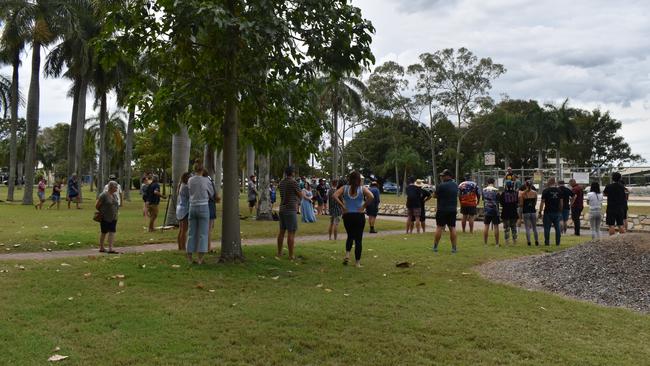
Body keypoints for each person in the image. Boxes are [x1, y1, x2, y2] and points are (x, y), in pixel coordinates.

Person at [333, 171, 374, 267]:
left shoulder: (344, 188)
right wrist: (363, 206)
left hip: (347, 215)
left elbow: (334, 195)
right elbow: (371, 196)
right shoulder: (362, 189)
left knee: (350, 236)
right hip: (359, 216)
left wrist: (342, 206)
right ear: (359, 179)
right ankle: (357, 263)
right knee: (358, 239)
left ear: (349, 179)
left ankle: (347, 255)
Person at [186, 168, 214, 264]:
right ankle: (200, 259)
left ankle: (189, 257)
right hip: (203, 206)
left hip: (192, 206)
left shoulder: (190, 180)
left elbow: (188, 192)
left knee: (191, 232)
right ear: (202, 170)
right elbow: (212, 193)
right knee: (203, 233)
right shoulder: (206, 180)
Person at [277, 166, 304, 259]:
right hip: (291, 209)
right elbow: (300, 195)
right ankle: (291, 255)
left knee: (281, 232)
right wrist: (297, 199)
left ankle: (279, 253)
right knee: (291, 232)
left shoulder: (281, 183)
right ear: (292, 173)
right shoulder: (293, 182)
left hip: (282, 208)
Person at [433, 169, 459, 253]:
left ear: (448, 176)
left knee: (439, 227)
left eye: (443, 176)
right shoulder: (455, 185)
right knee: (452, 228)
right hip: (452, 209)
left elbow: (435, 195)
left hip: (442, 209)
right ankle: (454, 248)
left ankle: (435, 247)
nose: (442, 177)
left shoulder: (441, 185)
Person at [96, 181, 120, 254]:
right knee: (104, 232)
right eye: (115, 187)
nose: (116, 188)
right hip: (105, 217)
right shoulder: (103, 195)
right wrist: (103, 212)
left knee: (112, 232)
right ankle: (101, 247)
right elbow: (97, 205)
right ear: (111, 187)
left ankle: (110, 248)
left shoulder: (115, 195)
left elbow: (116, 204)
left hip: (114, 217)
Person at [539, 177, 563, 246]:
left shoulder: (545, 191)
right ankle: (557, 243)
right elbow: (561, 203)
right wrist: (560, 211)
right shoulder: (559, 191)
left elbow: (542, 202)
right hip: (556, 212)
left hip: (548, 212)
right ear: (554, 182)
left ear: (549, 182)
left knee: (547, 228)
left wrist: (540, 212)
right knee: (557, 228)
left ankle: (547, 242)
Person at [519, 179, 539, 246]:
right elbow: (535, 203)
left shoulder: (522, 194)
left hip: (526, 211)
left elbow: (521, 204)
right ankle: (536, 241)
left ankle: (529, 242)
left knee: (527, 228)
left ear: (525, 185)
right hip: (533, 211)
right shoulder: (535, 193)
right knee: (534, 227)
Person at [203, 169, 220, 251]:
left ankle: (203, 247)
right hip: (209, 204)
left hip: (202, 205)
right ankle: (208, 247)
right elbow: (214, 194)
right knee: (209, 229)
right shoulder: (209, 181)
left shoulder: (199, 181)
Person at [482, 177, 500, 246]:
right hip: (495, 210)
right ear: (494, 183)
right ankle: (497, 243)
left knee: (486, 226)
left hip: (487, 210)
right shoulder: (496, 190)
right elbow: (498, 200)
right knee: (496, 226)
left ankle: (485, 243)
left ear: (487, 182)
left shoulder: (484, 190)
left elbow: (483, 199)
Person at [499, 180, 519, 245]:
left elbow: (501, 203)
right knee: (513, 227)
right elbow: (517, 203)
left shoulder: (503, 194)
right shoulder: (515, 193)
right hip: (514, 212)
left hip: (505, 213)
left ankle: (507, 241)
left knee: (506, 228)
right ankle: (515, 240)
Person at [176, 172, 191, 251]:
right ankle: (183, 247)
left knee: (181, 229)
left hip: (180, 209)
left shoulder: (181, 185)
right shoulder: (185, 187)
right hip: (185, 210)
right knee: (184, 230)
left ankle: (180, 246)